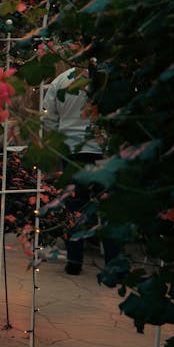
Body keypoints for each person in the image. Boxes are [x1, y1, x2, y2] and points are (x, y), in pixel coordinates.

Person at [40, 65, 119, 275]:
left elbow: (47, 116)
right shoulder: (105, 77)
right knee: (109, 206)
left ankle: (74, 261)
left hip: (72, 152)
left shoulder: (61, 79)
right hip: (102, 152)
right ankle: (113, 261)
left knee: (74, 205)